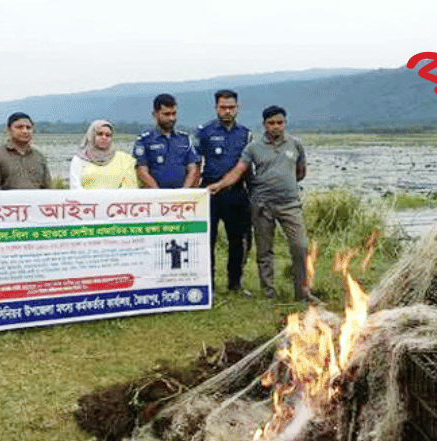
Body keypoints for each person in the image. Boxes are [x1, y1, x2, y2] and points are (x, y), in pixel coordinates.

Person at [209, 105, 314, 302]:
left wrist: (284, 183)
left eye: (280, 123)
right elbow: (238, 171)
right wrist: (219, 185)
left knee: (300, 246)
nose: (276, 127)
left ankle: (302, 293)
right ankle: (268, 294)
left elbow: (300, 173)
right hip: (262, 205)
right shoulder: (253, 147)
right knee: (264, 251)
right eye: (271, 123)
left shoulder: (295, 144)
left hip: (290, 205)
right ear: (264, 125)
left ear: (285, 123)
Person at [195, 90, 253, 295]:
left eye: (231, 107)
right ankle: (208, 283)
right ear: (216, 108)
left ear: (238, 108)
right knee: (206, 240)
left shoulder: (246, 134)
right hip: (209, 193)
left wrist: (252, 194)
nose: (227, 111)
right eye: (223, 107)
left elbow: (248, 167)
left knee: (238, 240)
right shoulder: (204, 131)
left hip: (237, 193)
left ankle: (235, 283)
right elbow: (195, 163)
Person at [133, 94, 199, 189]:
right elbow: (142, 172)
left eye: (174, 114)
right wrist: (162, 195)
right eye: (167, 114)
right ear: (155, 114)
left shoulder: (185, 139)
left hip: (181, 197)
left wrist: (184, 192)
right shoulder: (144, 140)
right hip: (155, 197)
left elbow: (193, 169)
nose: (171, 118)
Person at [0, 112, 51, 190]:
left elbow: (47, 187)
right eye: (19, 127)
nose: (25, 131)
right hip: (7, 201)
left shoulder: (39, 155)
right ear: (8, 129)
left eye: (28, 128)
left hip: (36, 201)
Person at [69, 119, 138, 189]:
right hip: (86, 199)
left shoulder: (124, 160)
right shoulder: (80, 159)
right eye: (99, 134)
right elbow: (75, 187)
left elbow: (129, 189)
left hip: (117, 199)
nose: (104, 137)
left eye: (108, 135)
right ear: (91, 135)